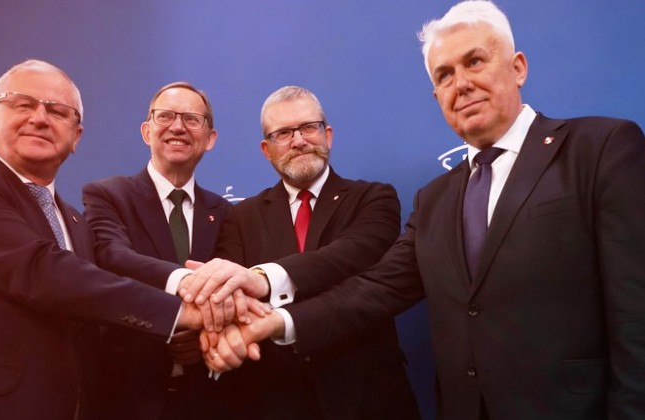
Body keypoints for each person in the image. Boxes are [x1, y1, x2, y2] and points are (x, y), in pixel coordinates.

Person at [201, 1, 645, 419]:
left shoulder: (599, 149)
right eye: (444, 75)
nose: (461, 84)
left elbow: (635, 314)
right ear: (436, 96)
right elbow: (374, 290)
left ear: (518, 67)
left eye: (475, 61)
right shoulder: (435, 199)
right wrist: (276, 322)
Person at [0, 60, 208, 420]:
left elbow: (97, 307)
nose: (39, 118)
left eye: (57, 111)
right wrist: (181, 312)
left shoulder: (77, 223)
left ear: (76, 137)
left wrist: (180, 336)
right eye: (22, 104)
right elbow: (42, 271)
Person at [183, 85, 421, 419]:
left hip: (366, 397)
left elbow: (351, 256)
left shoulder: (373, 198)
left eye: (309, 127)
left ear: (328, 135)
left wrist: (263, 279)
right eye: (283, 133)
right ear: (266, 149)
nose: (299, 141)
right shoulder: (241, 217)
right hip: (274, 400)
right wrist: (220, 334)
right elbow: (235, 300)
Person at [81, 82, 232, 419]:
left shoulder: (224, 212)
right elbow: (113, 257)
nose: (177, 127)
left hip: (207, 400)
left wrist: (201, 333)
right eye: (165, 116)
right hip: (126, 398)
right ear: (147, 131)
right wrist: (180, 300)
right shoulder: (107, 195)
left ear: (210, 139)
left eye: (191, 119)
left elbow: (230, 287)